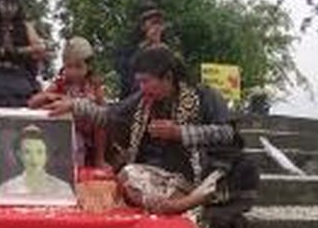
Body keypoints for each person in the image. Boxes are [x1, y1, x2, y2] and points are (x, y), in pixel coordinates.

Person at [45, 46, 259, 218]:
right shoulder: (142, 99)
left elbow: (226, 133)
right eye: (139, 82)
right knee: (127, 174)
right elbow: (109, 115)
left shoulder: (205, 95)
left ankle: (179, 206)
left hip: (201, 174)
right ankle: (176, 205)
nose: (142, 87)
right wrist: (74, 105)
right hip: (164, 177)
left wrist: (180, 132)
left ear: (167, 78)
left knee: (235, 171)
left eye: (145, 81)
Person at [28, 37, 107, 168]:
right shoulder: (59, 84)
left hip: (89, 138)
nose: (73, 72)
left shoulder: (95, 86)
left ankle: (99, 160)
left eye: (78, 67)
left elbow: (104, 118)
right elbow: (32, 103)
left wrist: (100, 158)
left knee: (100, 123)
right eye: (69, 66)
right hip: (63, 136)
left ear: (89, 66)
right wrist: (48, 96)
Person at [0, 124, 76, 201]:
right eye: (27, 152)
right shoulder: (7, 188)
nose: (34, 159)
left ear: (47, 155)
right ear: (19, 155)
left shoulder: (63, 188)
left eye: (39, 152)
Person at [115, 4, 169, 99]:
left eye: (160, 23)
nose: (157, 28)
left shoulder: (168, 51)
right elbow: (127, 78)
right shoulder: (128, 51)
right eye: (153, 23)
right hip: (134, 101)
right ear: (143, 27)